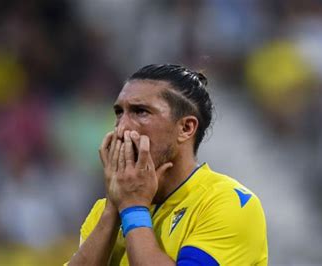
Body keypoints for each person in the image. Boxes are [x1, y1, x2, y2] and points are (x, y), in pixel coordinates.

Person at [67, 64, 268, 265]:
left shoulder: (229, 203)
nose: (122, 127)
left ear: (186, 128)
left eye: (140, 111)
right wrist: (113, 208)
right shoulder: (105, 210)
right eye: (119, 112)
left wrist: (133, 208)